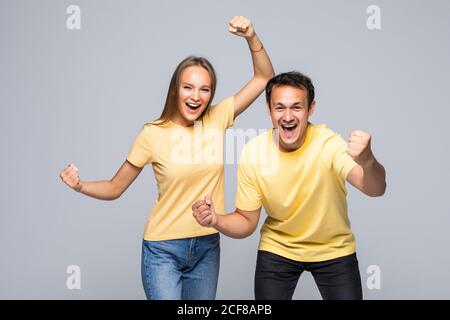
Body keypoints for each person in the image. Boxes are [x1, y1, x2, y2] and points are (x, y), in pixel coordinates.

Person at [59, 16, 274, 300]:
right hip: (162, 250)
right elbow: (114, 187)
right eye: (188, 87)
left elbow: (264, 78)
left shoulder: (218, 117)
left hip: (207, 246)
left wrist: (251, 36)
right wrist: (80, 185)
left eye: (204, 89)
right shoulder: (152, 134)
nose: (196, 96)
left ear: (210, 95)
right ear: (175, 89)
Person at [192, 71, 386, 300]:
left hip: (333, 249)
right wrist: (216, 220)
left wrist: (367, 160)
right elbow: (246, 221)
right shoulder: (253, 152)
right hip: (278, 249)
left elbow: (375, 189)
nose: (288, 116)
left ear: (310, 109)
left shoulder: (328, 143)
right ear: (269, 110)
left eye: (296, 107)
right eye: (279, 107)